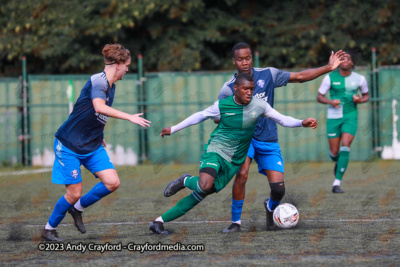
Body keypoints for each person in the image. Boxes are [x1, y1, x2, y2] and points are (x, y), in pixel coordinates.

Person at [149, 73, 317, 235]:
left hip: (234, 161)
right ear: (236, 88)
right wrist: (173, 128)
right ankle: (185, 180)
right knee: (205, 185)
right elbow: (199, 116)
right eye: (245, 89)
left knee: (202, 192)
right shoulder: (222, 105)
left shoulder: (259, 106)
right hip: (216, 151)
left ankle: (158, 222)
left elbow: (282, 119)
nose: (249, 92)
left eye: (251, 89)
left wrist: (301, 123)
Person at [218, 43, 345, 233]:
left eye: (247, 58)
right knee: (242, 174)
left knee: (278, 190)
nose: (244, 62)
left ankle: (270, 208)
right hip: (245, 139)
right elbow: (218, 117)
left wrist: (328, 68)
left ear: (252, 58)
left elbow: (301, 77)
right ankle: (235, 222)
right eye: (240, 59)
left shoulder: (268, 74)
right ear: (233, 61)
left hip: (268, 138)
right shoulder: (228, 88)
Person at [41, 44, 151, 241]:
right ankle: (49, 228)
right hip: (69, 146)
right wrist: (129, 117)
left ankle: (77, 209)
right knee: (74, 192)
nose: (127, 69)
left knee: (112, 182)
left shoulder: (111, 86)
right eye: (126, 65)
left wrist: (99, 134)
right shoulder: (98, 81)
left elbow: (94, 115)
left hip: (92, 145)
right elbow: (99, 107)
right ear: (117, 65)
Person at [317, 51, 369, 193]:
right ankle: (338, 161)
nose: (345, 60)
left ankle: (336, 183)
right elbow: (319, 97)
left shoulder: (360, 79)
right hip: (333, 117)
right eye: (342, 58)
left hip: (350, 116)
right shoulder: (329, 78)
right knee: (334, 152)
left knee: (345, 146)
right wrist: (330, 101)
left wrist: (360, 100)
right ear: (338, 62)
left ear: (352, 63)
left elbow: (366, 96)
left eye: (348, 58)